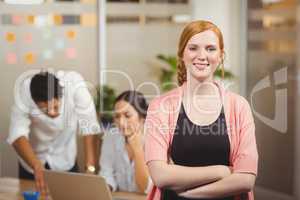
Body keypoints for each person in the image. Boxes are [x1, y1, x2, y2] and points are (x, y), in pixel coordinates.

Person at [144, 20, 258, 200]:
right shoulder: (160, 106)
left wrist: (192, 194)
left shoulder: (239, 106)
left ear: (221, 55)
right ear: (182, 54)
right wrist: (221, 171)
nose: (202, 55)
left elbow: (245, 179)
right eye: (193, 48)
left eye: (211, 49)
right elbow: (159, 175)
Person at [7, 70, 100, 196]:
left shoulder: (75, 85)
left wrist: (90, 169)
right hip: (32, 161)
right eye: (44, 109)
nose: (52, 113)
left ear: (61, 94)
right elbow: (17, 134)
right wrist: (36, 165)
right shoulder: (25, 91)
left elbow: (89, 126)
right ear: (34, 101)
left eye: (55, 107)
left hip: (65, 159)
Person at [99, 90, 151, 194]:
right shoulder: (111, 136)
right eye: (117, 116)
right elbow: (106, 172)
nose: (121, 123)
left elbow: (145, 188)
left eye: (127, 115)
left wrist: (138, 150)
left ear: (142, 117)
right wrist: (106, 188)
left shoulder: (154, 141)